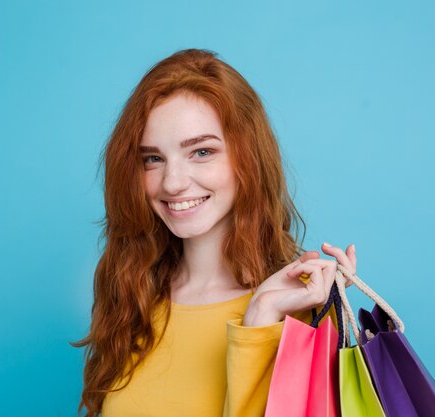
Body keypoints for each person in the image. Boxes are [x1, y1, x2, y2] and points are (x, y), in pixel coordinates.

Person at [73, 48, 357, 417]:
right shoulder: (132, 293)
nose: (173, 183)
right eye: (153, 159)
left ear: (248, 158)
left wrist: (259, 319)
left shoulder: (301, 309)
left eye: (201, 152)